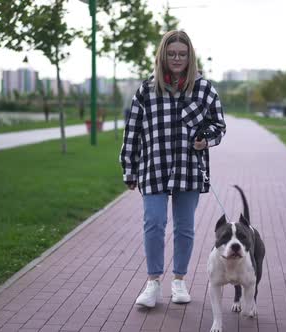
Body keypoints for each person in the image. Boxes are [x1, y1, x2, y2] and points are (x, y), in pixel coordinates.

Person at [119, 30, 226, 308]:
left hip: (189, 168)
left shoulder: (204, 89)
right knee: (153, 223)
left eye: (182, 54)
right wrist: (129, 168)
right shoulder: (147, 90)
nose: (177, 58)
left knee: (185, 227)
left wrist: (207, 140)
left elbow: (219, 126)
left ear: (190, 56)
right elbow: (132, 132)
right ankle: (153, 283)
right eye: (171, 53)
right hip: (154, 167)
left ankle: (179, 280)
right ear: (163, 56)